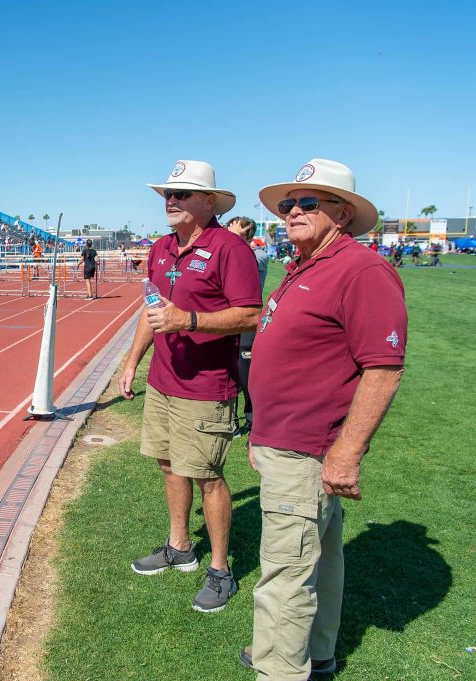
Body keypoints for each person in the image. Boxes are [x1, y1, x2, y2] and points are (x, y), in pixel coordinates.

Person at [239, 159, 407, 680]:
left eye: (307, 203)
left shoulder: (361, 270)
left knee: (285, 579)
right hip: (286, 442)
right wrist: (262, 431)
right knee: (320, 563)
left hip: (309, 450)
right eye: (288, 204)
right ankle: (316, 656)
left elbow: (382, 369)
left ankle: (280, 669)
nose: (291, 212)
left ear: (343, 212)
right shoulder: (305, 265)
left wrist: (346, 452)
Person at [119, 160, 262, 613]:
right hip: (163, 381)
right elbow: (151, 310)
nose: (171, 200)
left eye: (182, 194)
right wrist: (131, 361)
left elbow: (251, 314)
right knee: (168, 464)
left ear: (209, 201)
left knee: (207, 476)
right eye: (167, 194)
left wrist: (190, 320)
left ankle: (220, 570)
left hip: (205, 386)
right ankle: (179, 545)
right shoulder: (161, 248)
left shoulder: (229, 248)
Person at [225, 216, 269, 435]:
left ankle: (253, 423)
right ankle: (230, 420)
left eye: (236, 231)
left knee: (246, 376)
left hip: (246, 324)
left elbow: (242, 260)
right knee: (225, 370)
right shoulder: (230, 251)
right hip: (225, 321)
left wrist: (234, 240)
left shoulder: (258, 256)